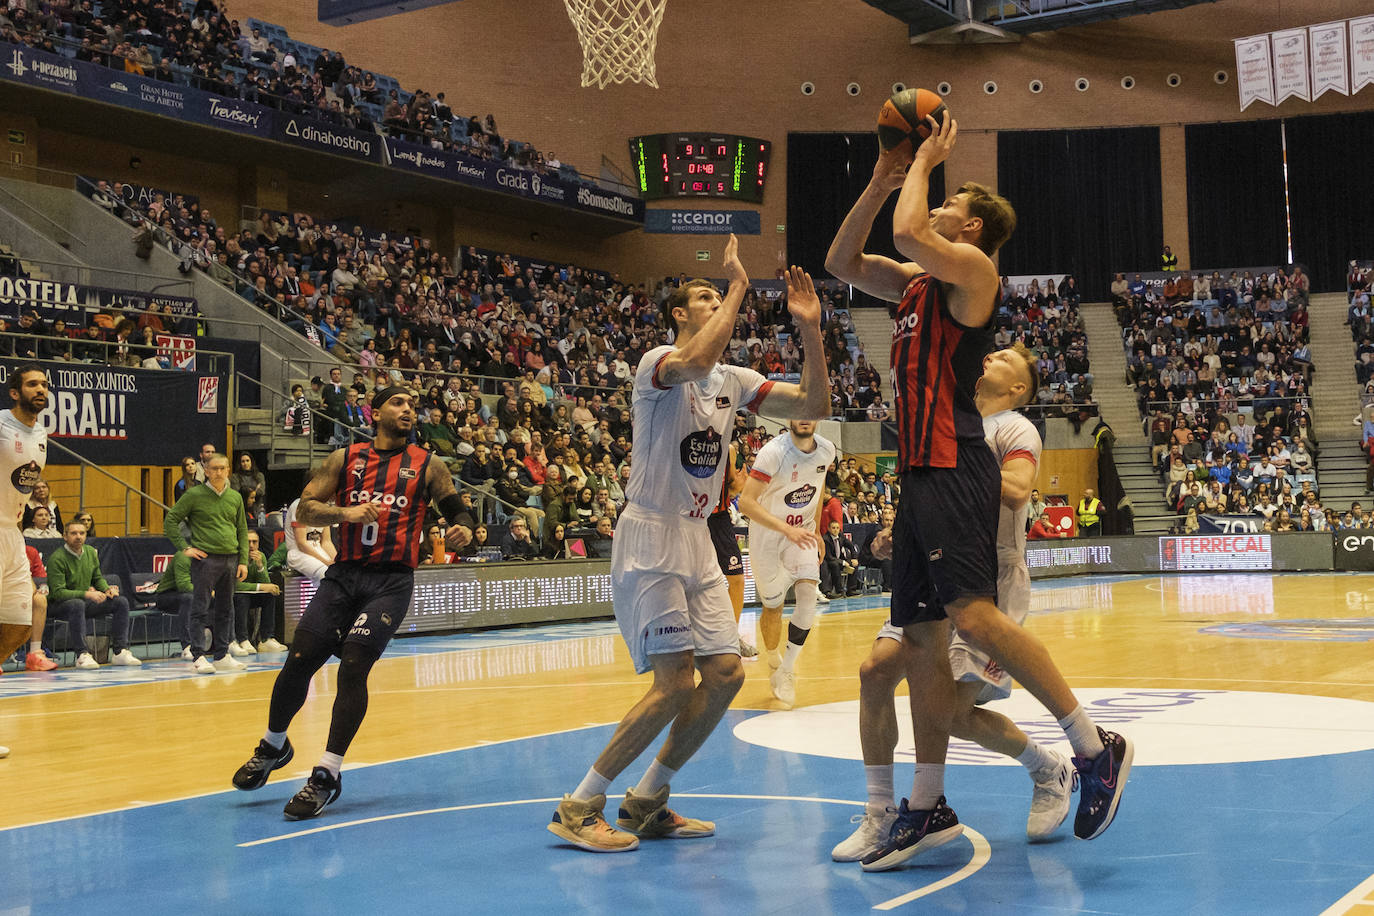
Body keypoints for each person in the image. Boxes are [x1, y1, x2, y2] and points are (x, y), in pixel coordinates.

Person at [824, 116, 1130, 871]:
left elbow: (907, 235)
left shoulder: (974, 275)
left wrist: (924, 160)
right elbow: (840, 260)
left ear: (971, 226)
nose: (932, 208)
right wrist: (879, 181)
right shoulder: (917, 286)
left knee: (971, 614)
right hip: (920, 472)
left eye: (946, 203)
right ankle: (925, 806)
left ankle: (1093, 747)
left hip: (956, 460)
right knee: (924, 641)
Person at [546, 244, 829, 853]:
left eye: (716, 296)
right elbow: (698, 358)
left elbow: (814, 406)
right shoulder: (660, 362)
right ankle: (579, 804)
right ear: (677, 314)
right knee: (674, 683)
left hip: (699, 535)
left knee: (725, 674)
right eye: (700, 297)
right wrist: (735, 287)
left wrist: (810, 333)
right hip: (650, 533)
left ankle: (648, 798)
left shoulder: (736, 381)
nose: (715, 302)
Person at [833, 344, 1078, 861]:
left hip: (986, 579)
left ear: (1017, 389)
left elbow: (1016, 489)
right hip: (933, 572)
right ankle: (881, 812)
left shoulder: (1015, 427)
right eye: (993, 350)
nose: (992, 354)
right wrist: (896, 534)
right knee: (875, 671)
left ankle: (1048, 766)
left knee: (952, 714)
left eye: (1006, 357)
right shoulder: (949, 422)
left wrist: (960, 473)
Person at [231, 386, 472, 821]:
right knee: (300, 658)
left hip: (391, 581)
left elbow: (456, 507)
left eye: (412, 406)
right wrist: (346, 514)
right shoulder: (345, 459)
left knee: (355, 664)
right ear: (376, 411)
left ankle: (327, 773)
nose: (407, 410)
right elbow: (305, 509)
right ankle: (272, 745)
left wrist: (465, 528)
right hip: (344, 575)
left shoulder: (427, 464)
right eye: (398, 403)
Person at [738, 419, 835, 709]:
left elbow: (817, 490)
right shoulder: (773, 452)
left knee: (808, 598)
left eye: (810, 411)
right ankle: (772, 658)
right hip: (767, 537)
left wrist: (815, 529)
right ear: (789, 417)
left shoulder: (826, 450)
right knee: (772, 606)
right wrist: (785, 529)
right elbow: (746, 503)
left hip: (800, 533)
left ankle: (788, 669)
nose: (804, 417)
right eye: (798, 411)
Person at [1, 368, 58, 743]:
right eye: (32, 384)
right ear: (14, 393)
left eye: (44, 384)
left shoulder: (41, 433)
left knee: (20, 625)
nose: (41, 389)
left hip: (12, 535)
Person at [163, 454, 250, 673]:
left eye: (223, 468)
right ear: (206, 471)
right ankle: (199, 656)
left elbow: (241, 529)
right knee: (200, 608)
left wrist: (244, 561)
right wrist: (185, 548)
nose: (219, 472)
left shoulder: (235, 497)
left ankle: (221, 654)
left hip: (231, 559)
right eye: (214, 469)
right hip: (206, 559)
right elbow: (171, 520)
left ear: (228, 470)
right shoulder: (194, 495)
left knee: (226, 608)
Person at [47, 519, 141, 669]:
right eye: (73, 533)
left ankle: (120, 651)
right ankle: (82, 654)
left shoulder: (90, 552)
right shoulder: (57, 558)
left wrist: (106, 589)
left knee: (120, 602)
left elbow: (97, 578)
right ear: (65, 536)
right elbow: (58, 593)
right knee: (77, 604)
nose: (78, 536)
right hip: (58, 605)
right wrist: (87, 594)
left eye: (82, 533)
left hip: (83, 602)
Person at [707, 441, 755, 657]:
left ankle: (731, 636)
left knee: (736, 578)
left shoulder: (729, 450)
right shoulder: (683, 439)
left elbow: (732, 488)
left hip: (719, 519)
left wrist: (740, 485)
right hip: (690, 518)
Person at [234, 530, 284, 654]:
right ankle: (242, 639)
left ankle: (267, 639)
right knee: (242, 597)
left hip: (251, 594)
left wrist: (260, 566)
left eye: (254, 542)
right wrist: (259, 587)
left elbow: (266, 584)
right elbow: (235, 585)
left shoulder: (260, 556)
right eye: (248, 542)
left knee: (269, 595)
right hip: (233, 595)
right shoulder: (235, 557)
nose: (251, 545)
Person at [283, 495, 336, 581]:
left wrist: (337, 563)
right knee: (325, 574)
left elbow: (326, 542)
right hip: (298, 553)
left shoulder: (325, 508)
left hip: (318, 549)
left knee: (341, 574)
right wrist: (327, 563)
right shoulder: (299, 506)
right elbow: (301, 543)